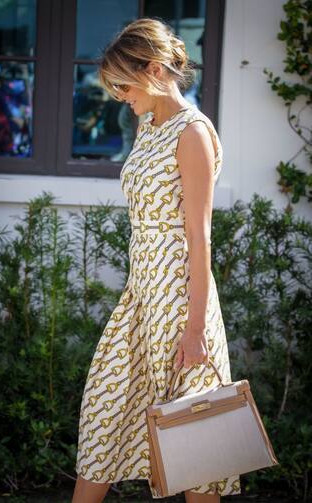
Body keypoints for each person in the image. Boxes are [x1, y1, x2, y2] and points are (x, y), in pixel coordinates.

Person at [72, 17, 241, 503]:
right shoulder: (149, 126)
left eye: (122, 85)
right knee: (103, 416)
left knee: (196, 444)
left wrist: (195, 329)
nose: (120, 96)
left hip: (180, 303)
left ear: (152, 68)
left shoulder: (193, 133)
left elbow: (199, 235)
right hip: (141, 296)